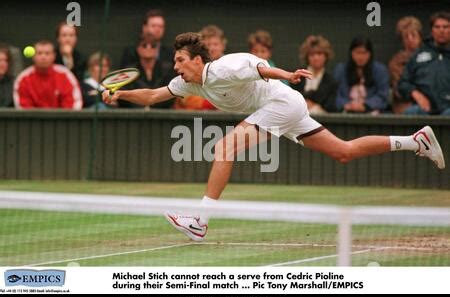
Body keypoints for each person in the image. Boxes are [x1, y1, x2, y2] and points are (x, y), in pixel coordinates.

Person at [103, 32, 445, 241]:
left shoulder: (224, 67)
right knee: (343, 152)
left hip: (281, 100)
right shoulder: (187, 82)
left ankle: (200, 222)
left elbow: (261, 68)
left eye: (180, 60)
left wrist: (289, 74)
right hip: (286, 109)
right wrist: (120, 95)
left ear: (196, 59)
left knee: (225, 147)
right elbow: (151, 95)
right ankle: (415, 141)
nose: (175, 66)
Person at [398, 11, 450, 115]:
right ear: (432, 30)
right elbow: (403, 83)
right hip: (423, 108)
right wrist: (416, 93)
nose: (441, 30)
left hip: (448, 108)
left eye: (445, 27)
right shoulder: (419, 54)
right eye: (437, 27)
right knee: (411, 112)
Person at [14, 40, 82, 110]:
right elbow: (23, 110)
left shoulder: (65, 75)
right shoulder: (23, 79)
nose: (43, 57)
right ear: (33, 56)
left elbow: (73, 107)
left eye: (47, 53)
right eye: (39, 53)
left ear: (54, 56)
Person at [334, 36, 389, 114]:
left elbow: (383, 95)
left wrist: (365, 105)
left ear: (370, 54)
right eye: (357, 52)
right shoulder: (341, 69)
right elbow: (336, 94)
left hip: (372, 111)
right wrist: (347, 104)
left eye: (364, 53)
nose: (360, 57)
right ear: (351, 53)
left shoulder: (380, 70)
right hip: (346, 110)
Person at [291, 35, 337, 114]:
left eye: (319, 54)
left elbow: (331, 107)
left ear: (326, 56)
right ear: (307, 57)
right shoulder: (297, 75)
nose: (316, 58)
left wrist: (314, 106)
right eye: (312, 54)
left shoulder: (331, 81)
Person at [388, 16, 423, 113]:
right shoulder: (396, 62)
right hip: (406, 104)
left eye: (413, 35)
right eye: (406, 36)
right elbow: (399, 90)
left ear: (420, 37)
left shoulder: (430, 55)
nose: (410, 39)